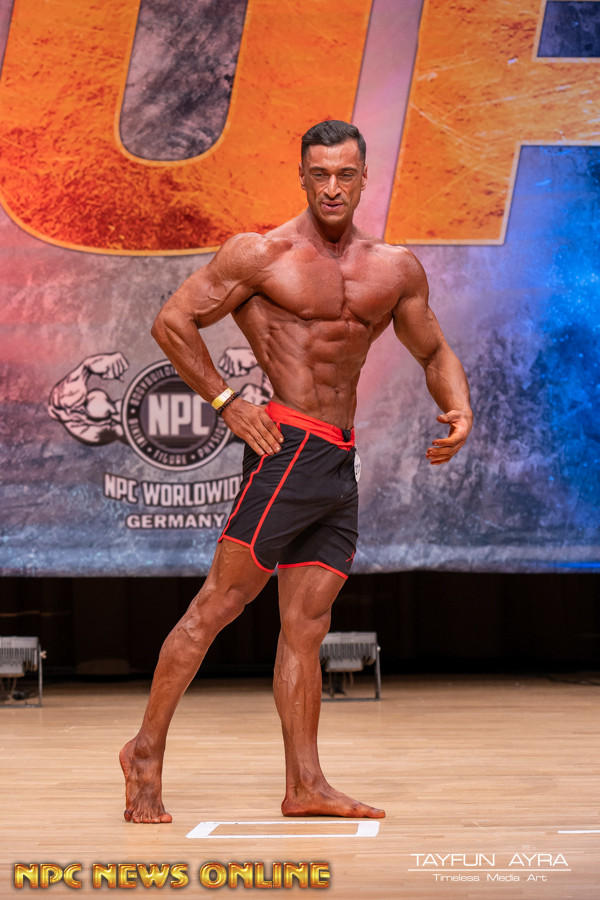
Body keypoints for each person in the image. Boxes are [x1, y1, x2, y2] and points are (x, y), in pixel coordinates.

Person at [120, 120, 473, 824]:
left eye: (345, 174)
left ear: (364, 178)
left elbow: (432, 350)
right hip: (287, 452)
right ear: (303, 177)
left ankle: (305, 784)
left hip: (338, 459)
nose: (332, 187)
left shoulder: (395, 267)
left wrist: (458, 407)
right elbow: (172, 321)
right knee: (216, 606)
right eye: (320, 174)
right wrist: (226, 402)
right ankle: (145, 753)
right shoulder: (260, 254)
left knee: (307, 625)